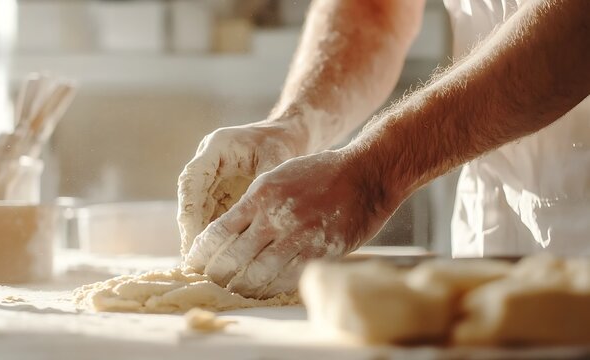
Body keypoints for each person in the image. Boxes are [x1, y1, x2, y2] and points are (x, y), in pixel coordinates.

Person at [177, 0, 590, 299]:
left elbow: (578, 25)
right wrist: (294, 125)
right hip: (494, 219)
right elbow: (373, 7)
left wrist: (374, 173)